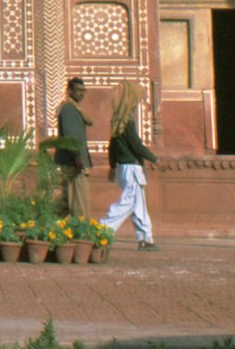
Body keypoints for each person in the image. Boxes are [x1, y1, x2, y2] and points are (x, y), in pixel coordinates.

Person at [101, 80, 158, 250]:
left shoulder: (117, 121)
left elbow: (112, 146)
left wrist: (112, 166)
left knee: (138, 205)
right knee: (127, 203)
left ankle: (145, 238)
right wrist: (154, 158)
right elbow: (136, 145)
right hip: (132, 168)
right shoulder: (127, 122)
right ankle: (100, 230)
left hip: (125, 167)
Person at [55, 76, 93, 217]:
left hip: (75, 160)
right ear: (69, 91)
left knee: (69, 199)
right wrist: (77, 156)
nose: (81, 94)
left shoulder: (74, 109)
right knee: (78, 199)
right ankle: (80, 230)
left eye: (83, 91)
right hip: (72, 161)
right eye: (78, 90)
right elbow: (69, 135)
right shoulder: (69, 109)